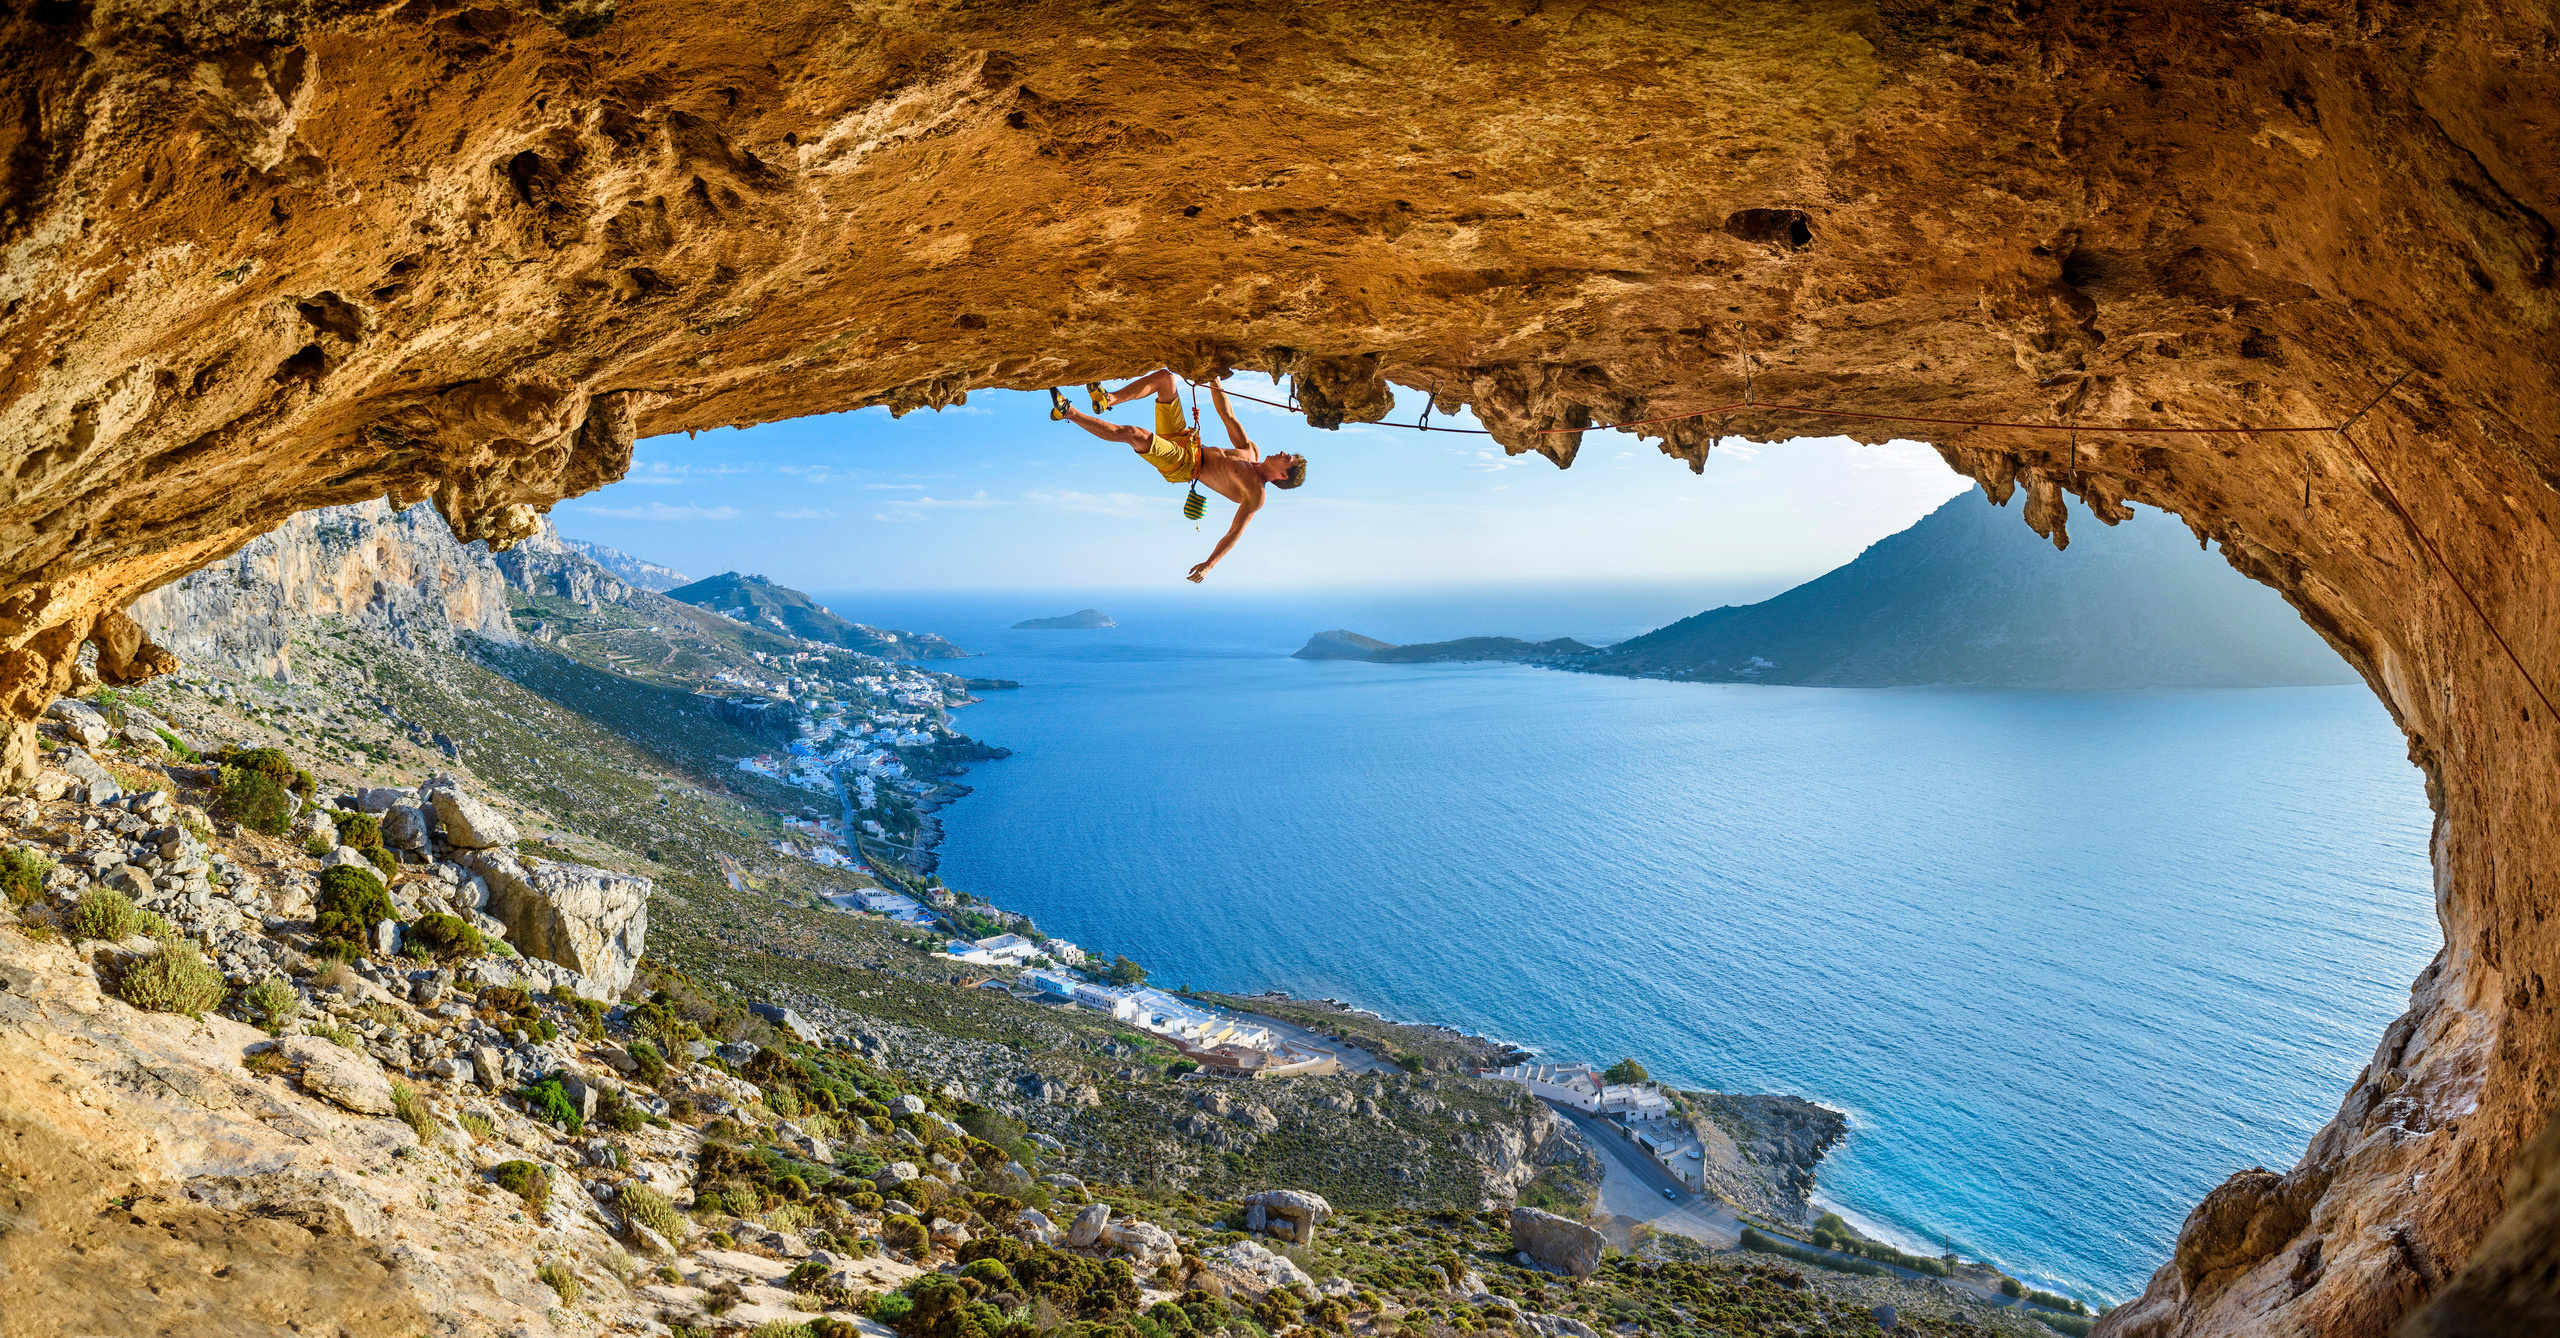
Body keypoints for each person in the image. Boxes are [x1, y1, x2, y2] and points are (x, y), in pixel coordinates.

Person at [1050, 369, 1306, 582]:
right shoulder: (1251, 451)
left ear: (1283, 476)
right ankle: (1108, 399)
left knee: (1134, 434)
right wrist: (1211, 376)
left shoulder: (1256, 493)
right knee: (1165, 379)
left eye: (1287, 459)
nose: (1282, 452)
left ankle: (1069, 412)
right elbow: (1227, 415)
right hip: (1186, 441)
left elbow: (1234, 533)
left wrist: (1210, 564)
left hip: (1184, 464)